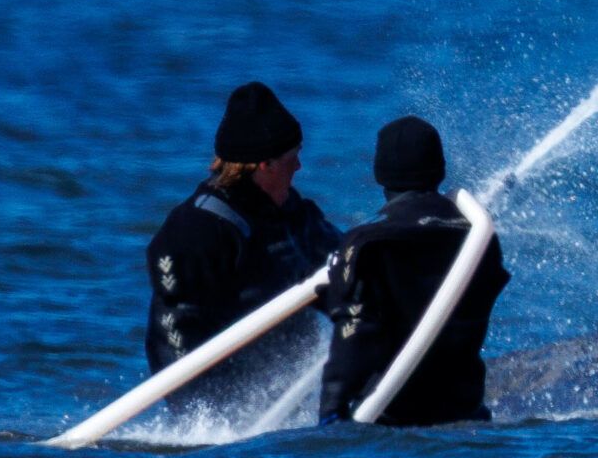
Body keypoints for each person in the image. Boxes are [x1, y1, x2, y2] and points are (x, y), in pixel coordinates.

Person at [145, 82, 342, 401]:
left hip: (287, 391)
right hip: (221, 400)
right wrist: (203, 413)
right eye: (294, 157)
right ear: (265, 164)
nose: (299, 166)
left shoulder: (295, 215)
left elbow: (343, 269)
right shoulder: (199, 228)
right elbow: (172, 330)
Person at [318, 116, 510, 426]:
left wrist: (330, 411)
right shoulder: (477, 236)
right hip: (465, 413)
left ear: (381, 174)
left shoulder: (366, 241)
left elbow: (354, 334)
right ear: (439, 168)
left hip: (388, 418)